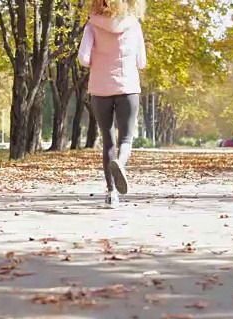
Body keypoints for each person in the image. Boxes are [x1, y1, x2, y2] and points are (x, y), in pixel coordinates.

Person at [78, 0, 147, 207]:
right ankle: (121, 163)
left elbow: (83, 58)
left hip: (100, 89)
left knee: (108, 141)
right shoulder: (133, 24)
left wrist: (99, 62)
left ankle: (111, 193)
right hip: (127, 88)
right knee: (126, 138)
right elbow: (141, 62)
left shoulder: (92, 25)